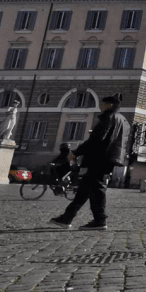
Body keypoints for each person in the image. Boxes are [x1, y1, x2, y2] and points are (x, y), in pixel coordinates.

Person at [51, 95, 129, 230]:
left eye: (103, 104)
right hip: (109, 157)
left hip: (100, 157)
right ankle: (67, 217)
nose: (100, 106)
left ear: (110, 105)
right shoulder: (122, 120)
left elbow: (96, 140)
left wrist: (76, 152)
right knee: (84, 190)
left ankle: (100, 220)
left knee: (97, 188)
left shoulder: (108, 117)